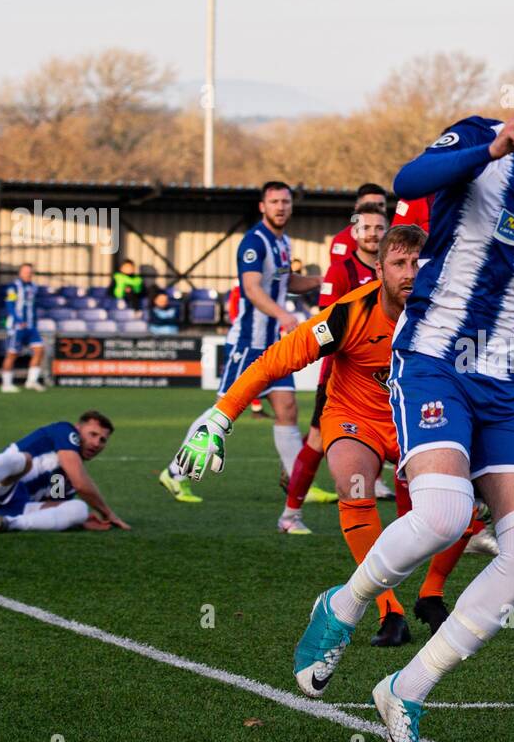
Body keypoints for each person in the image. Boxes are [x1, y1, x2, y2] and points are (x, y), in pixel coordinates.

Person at [270, 34, 514, 742]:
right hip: (437, 359)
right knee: (443, 514)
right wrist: (492, 147)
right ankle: (344, 603)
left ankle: (407, 689)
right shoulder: (479, 140)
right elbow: (411, 176)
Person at [175, 226, 437, 645]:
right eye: (399, 263)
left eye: (417, 264)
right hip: (356, 419)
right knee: (354, 485)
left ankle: (433, 592)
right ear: (378, 268)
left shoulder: (450, 316)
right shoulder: (347, 314)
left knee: (448, 514)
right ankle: (390, 610)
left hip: (419, 423)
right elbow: (274, 362)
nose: (409, 273)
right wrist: (221, 418)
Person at [158, 181, 321, 504]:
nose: (280, 207)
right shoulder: (254, 241)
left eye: (285, 202)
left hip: (273, 344)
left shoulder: (284, 242)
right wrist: (283, 315)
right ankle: (175, 472)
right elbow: (252, 288)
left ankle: (297, 485)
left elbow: (289, 283)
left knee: (287, 408)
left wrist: (323, 280)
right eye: (274, 201)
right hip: (249, 342)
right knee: (222, 411)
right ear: (263, 206)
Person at [279, 202, 388, 534]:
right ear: (354, 232)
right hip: (342, 377)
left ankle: (417, 528)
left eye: (379, 227)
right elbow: (327, 323)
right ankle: (290, 515)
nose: (372, 234)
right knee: (316, 441)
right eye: (365, 227)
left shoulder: (397, 269)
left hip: (390, 377)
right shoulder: (341, 271)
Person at [0, 411, 128, 533]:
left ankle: (6, 524)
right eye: (93, 434)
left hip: (5, 509)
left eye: (103, 440)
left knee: (79, 509)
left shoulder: (62, 478)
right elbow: (81, 482)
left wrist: (76, 521)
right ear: (78, 429)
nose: (97, 443)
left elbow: (53, 504)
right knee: (23, 459)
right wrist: (108, 513)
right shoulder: (65, 432)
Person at [0, 263, 44, 393]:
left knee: (39, 350)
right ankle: (6, 384)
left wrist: (34, 322)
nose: (28, 274)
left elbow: (33, 306)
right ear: (20, 273)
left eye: (30, 272)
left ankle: (31, 381)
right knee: (12, 354)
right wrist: (18, 320)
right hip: (17, 327)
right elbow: (10, 305)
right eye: (25, 272)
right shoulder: (13, 287)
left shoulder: (34, 287)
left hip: (31, 326)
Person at [328, 183, 388, 267]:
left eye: (381, 205)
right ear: (357, 207)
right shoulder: (342, 240)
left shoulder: (394, 237)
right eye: (369, 205)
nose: (376, 209)